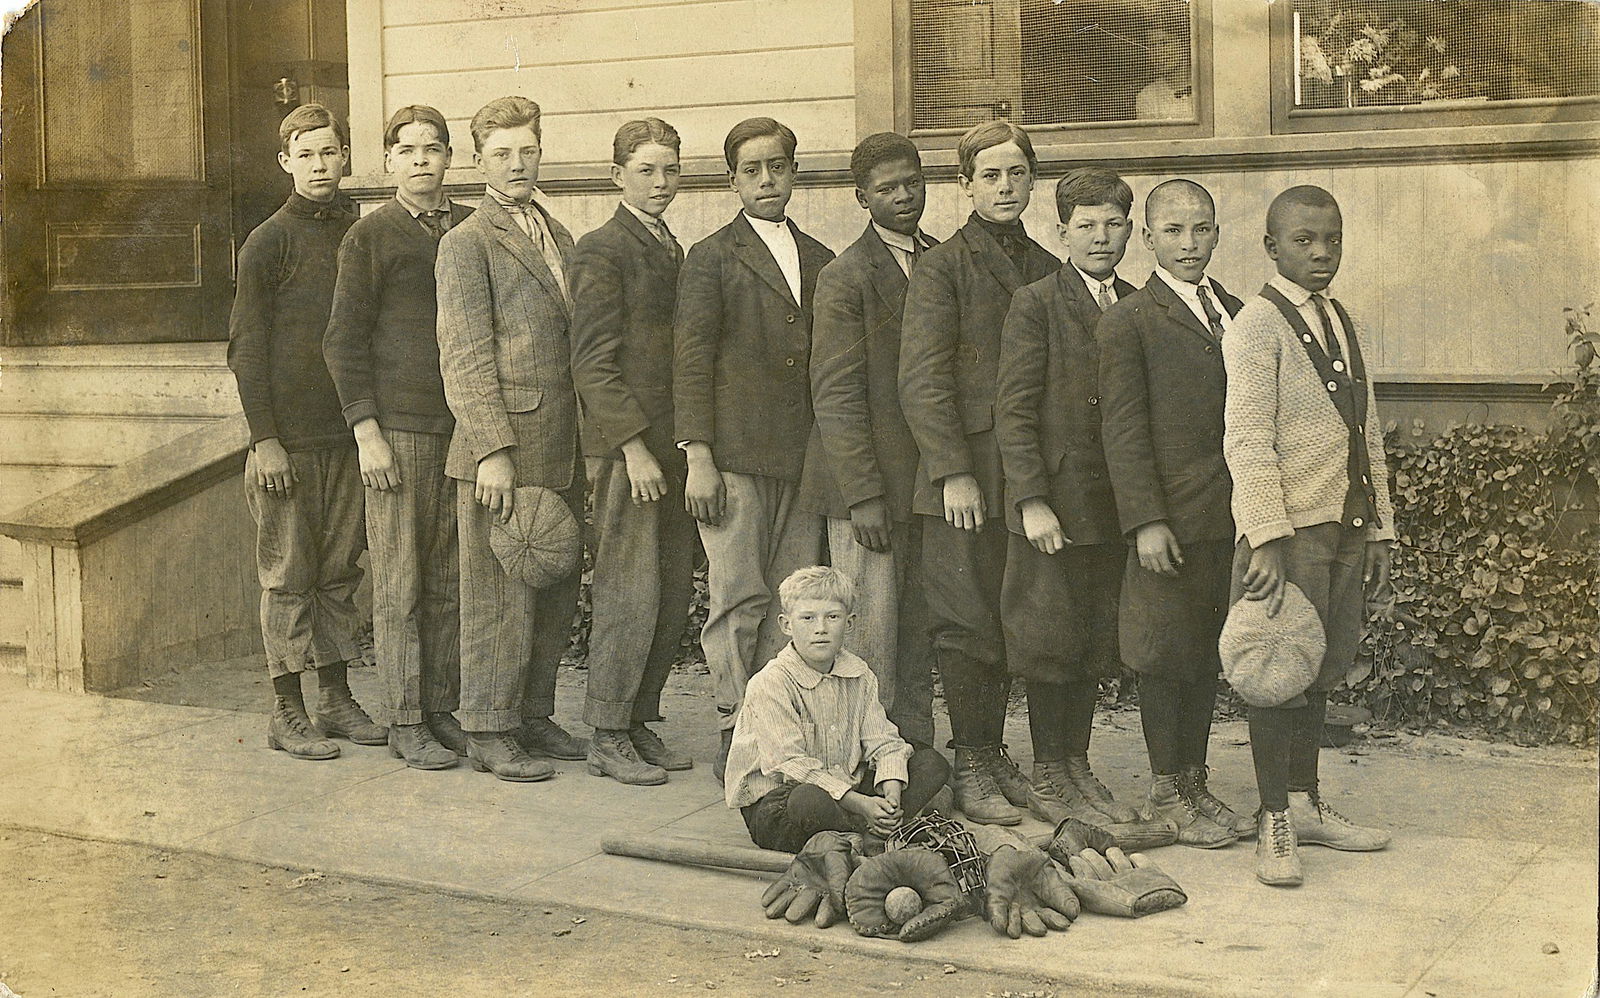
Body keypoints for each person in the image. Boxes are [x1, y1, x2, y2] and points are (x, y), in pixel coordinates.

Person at [1224, 185, 1396, 886]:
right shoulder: (1256, 327)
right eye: (1303, 241)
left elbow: (1368, 430)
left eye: (1332, 239)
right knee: (1276, 673)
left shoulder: (1340, 317)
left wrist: (1382, 527)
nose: (1321, 253)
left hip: (1345, 526)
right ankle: (1274, 821)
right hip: (1287, 534)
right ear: (1270, 247)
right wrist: (1264, 536)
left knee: (1322, 663)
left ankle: (1305, 802)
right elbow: (1246, 439)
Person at [898, 121, 1060, 825]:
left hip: (1018, 473)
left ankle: (994, 755)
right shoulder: (942, 266)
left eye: (1017, 174)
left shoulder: (1048, 264)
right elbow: (923, 380)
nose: (1005, 188)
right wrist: (951, 472)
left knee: (1004, 612)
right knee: (963, 619)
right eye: (990, 176)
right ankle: (969, 761)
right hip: (962, 479)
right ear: (964, 185)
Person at [673, 117, 834, 781]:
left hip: (801, 462)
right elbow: (691, 359)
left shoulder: (822, 258)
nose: (766, 180)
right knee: (738, 597)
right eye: (751, 170)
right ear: (733, 180)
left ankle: (781, 723)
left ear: (794, 172)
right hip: (735, 459)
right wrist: (698, 454)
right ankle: (735, 726)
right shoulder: (710, 257)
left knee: (791, 600)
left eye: (777, 166)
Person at [435, 96, 587, 782]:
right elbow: (464, 354)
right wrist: (492, 450)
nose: (517, 163)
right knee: (497, 594)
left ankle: (532, 713)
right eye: (501, 153)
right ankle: (488, 728)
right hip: (501, 450)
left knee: (549, 583)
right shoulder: (466, 242)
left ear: (541, 151)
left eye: (526, 150)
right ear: (478, 161)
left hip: (559, 441)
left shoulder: (559, 232)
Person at [1097, 178, 1251, 847]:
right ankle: (1166, 788)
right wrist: (1146, 520)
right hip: (1168, 519)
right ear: (1149, 237)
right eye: (1175, 231)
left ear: (1217, 233)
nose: (1190, 245)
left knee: (1205, 650)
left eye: (1203, 230)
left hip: (1227, 517)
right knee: (1163, 652)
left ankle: (1195, 780)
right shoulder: (1129, 320)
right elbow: (1123, 432)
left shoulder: (1238, 312)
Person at [228, 103, 384, 761]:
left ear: (345, 157)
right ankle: (286, 708)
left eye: (330, 152)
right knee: (289, 575)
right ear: (286, 162)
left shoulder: (362, 233)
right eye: (307, 155)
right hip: (287, 445)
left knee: (339, 572)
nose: (320, 166)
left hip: (346, 435)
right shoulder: (269, 240)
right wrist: (264, 439)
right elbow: (246, 345)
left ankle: (336, 697)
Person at [323, 105, 474, 771]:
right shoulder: (371, 237)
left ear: (449, 157)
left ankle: (441, 708)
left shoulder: (472, 228)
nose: (420, 160)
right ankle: (404, 716)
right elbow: (343, 340)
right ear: (388, 162)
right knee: (399, 580)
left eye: (432, 148)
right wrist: (366, 432)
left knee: (448, 577)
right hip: (399, 432)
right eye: (406, 149)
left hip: (462, 429)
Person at [995, 167, 1140, 825]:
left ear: (1129, 230)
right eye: (1086, 226)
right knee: (1048, 636)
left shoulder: (1136, 303)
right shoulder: (1037, 302)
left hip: (1111, 505)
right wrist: (1030, 499)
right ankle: (1048, 767)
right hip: (1054, 503)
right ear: (1062, 232)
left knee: (1091, 636)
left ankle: (1076, 761)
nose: (1100, 237)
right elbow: (1015, 410)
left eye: (1112, 224)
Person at [798, 132, 938, 754]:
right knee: (868, 633)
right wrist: (863, 497)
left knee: (916, 630)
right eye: (887, 189)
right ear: (862, 198)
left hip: (923, 483)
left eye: (912, 183)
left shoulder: (937, 259)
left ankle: (911, 749)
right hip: (867, 487)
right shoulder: (845, 275)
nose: (904, 197)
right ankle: (858, 756)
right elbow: (835, 392)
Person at [569, 118, 697, 785]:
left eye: (671, 169)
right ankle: (606, 731)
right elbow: (592, 363)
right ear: (617, 175)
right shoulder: (601, 249)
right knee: (627, 589)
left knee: (671, 591)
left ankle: (638, 717)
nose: (660, 182)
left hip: (672, 447)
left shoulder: (670, 245)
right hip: (630, 455)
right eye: (647, 170)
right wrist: (633, 448)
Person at [725, 566, 950, 853]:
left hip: (848, 794)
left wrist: (891, 791)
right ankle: (868, 833)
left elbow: (883, 741)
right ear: (785, 624)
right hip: (783, 806)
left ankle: (876, 827)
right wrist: (862, 804)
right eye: (807, 618)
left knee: (931, 763)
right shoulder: (771, 682)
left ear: (850, 622)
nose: (821, 628)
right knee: (807, 799)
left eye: (832, 617)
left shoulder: (860, 675)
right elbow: (790, 765)